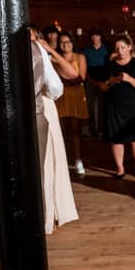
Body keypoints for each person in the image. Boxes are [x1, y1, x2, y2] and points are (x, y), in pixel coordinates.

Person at [30, 26, 79, 234]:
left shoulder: (43, 53)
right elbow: (56, 89)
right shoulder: (36, 53)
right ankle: (48, 213)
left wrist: (50, 51)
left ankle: (55, 210)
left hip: (43, 105)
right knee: (47, 161)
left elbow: (72, 73)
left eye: (33, 36)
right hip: (43, 103)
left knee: (52, 159)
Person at [95, 34, 135, 177]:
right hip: (115, 106)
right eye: (117, 48)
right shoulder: (110, 65)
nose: (120, 51)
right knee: (116, 138)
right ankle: (120, 168)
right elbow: (102, 87)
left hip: (133, 106)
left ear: (130, 48)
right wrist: (110, 82)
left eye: (123, 47)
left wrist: (129, 78)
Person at [52, 33, 91, 177]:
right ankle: (62, 161)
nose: (65, 44)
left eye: (68, 41)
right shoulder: (55, 58)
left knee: (75, 130)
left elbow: (81, 78)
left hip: (76, 95)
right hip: (61, 95)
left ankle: (78, 160)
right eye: (62, 42)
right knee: (60, 130)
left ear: (72, 43)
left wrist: (64, 82)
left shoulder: (80, 57)